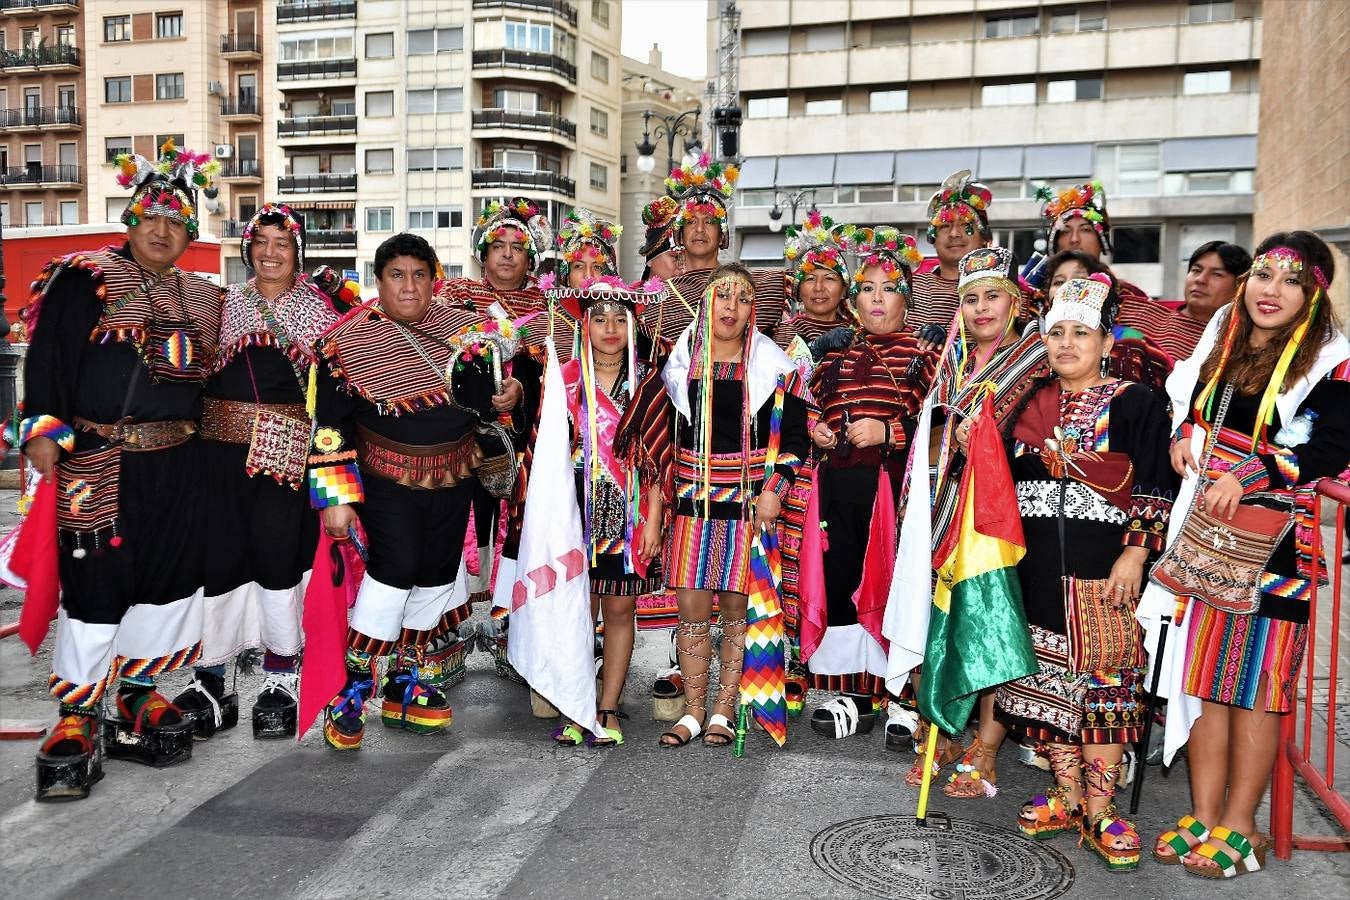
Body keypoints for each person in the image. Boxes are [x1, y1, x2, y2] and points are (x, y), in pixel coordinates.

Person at [1142, 231, 1349, 879]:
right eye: (1264, 274)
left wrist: (1251, 474)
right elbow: (1194, 405)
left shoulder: (1333, 360)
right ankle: (1205, 812)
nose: (1271, 290)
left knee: (1257, 684)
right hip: (1209, 529)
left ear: (1313, 293)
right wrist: (1184, 436)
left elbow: (1328, 449)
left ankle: (1243, 825)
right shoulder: (1227, 337)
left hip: (1279, 542)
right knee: (1204, 676)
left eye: (1291, 281)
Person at [23, 142, 223, 799]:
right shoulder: (84, 277)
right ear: (131, 220)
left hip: (179, 465)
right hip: (96, 459)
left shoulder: (204, 297)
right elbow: (48, 360)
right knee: (95, 584)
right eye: (152, 216)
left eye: (177, 220)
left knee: (168, 581)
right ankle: (79, 711)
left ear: (190, 232)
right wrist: (44, 434)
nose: (163, 230)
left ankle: (136, 692)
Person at [311, 232, 525, 750]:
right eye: (396, 276)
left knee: (434, 573)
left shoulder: (466, 330)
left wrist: (510, 393)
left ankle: (406, 680)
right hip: (386, 480)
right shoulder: (345, 343)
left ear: (434, 278)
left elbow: (491, 399)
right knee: (395, 569)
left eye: (419, 275)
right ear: (379, 280)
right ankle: (354, 685)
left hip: (454, 476)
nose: (409, 286)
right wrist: (334, 500)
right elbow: (328, 429)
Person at [995, 273, 1176, 872]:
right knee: (1049, 690)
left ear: (1105, 342)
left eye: (1081, 333)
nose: (1067, 343)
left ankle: (1101, 808)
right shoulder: (1029, 403)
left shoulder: (1136, 403)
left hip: (1104, 571)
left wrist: (1136, 552)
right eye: (1056, 333)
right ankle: (1066, 794)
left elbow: (1154, 483)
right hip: (1039, 568)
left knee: (1103, 689)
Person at [621, 263, 811, 746]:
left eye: (742, 298)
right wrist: (656, 514)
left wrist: (775, 489)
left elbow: (793, 437)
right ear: (707, 302)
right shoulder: (680, 362)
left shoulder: (772, 366)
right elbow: (660, 446)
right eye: (722, 296)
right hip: (690, 500)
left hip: (747, 504)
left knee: (734, 610)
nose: (731, 307)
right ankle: (693, 710)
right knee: (692, 609)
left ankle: (725, 708)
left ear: (753, 308)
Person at [169, 203, 339, 741]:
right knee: (218, 559)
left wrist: (335, 481)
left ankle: (280, 673)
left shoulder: (323, 315)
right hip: (218, 456)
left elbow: (337, 401)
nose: (270, 252)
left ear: (298, 253)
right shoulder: (222, 306)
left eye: (281, 243)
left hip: (287, 454)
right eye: (260, 241)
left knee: (276, 557)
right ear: (247, 248)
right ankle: (213, 677)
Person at [895, 245, 1051, 789]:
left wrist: (981, 437)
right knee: (941, 614)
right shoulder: (952, 361)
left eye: (992, 297)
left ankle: (987, 745)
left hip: (1000, 512)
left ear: (1014, 302)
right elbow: (930, 435)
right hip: (943, 503)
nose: (981, 308)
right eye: (971, 299)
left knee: (992, 620)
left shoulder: (1037, 358)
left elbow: (1034, 432)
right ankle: (940, 729)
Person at [802, 228, 936, 738]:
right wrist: (816, 430)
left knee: (895, 585)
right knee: (841, 582)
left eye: (888, 287)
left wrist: (890, 430)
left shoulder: (926, 356)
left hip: (895, 492)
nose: (876, 298)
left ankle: (900, 695)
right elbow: (809, 408)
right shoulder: (830, 355)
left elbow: (942, 422)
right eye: (866, 288)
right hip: (836, 488)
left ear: (907, 296)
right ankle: (849, 692)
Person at [540, 274, 665, 746]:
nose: (610, 327)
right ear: (583, 326)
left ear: (633, 325)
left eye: (620, 318)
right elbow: (547, 452)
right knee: (576, 610)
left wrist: (653, 518)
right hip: (573, 509)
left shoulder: (650, 381)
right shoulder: (567, 378)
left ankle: (607, 706)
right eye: (599, 319)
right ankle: (576, 703)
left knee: (618, 608)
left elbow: (660, 458)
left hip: (627, 511)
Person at [641, 155, 787, 350]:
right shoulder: (660, 299)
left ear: (722, 235)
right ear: (680, 235)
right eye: (691, 221)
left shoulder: (756, 287)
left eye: (709, 221)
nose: (700, 229)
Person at [909, 170, 994, 331]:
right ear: (932, 237)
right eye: (945, 226)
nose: (954, 234)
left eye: (965, 225)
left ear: (985, 236)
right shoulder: (909, 287)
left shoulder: (1007, 289)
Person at [777, 210, 855, 346]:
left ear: (844, 290)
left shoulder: (857, 338)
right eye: (810, 279)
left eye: (829, 278)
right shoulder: (778, 337)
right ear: (798, 291)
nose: (819, 287)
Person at [1181, 240, 1252, 327]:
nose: (1200, 279)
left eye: (1217, 274)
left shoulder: (1242, 337)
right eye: (1196, 270)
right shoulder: (1159, 316)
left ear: (1239, 287)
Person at [639, 195, 682, 283]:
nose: (682, 266)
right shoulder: (630, 296)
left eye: (686, 259)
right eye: (676, 257)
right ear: (650, 260)